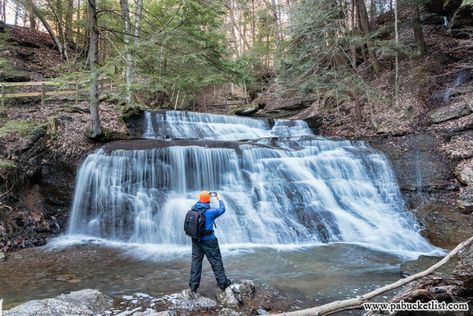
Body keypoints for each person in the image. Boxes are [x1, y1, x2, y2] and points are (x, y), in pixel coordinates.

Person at [184, 190, 231, 298]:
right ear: (208, 199)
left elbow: (200, 202)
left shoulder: (194, 207)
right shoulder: (211, 212)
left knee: (196, 262)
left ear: (200, 199)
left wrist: (204, 197)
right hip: (209, 240)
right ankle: (223, 283)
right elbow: (222, 209)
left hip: (196, 240)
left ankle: (193, 287)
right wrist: (219, 198)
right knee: (216, 261)